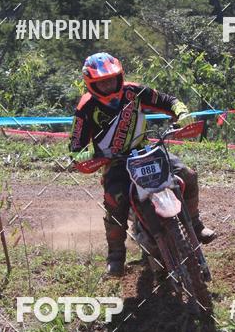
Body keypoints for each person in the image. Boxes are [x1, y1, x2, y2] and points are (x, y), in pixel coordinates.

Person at [69, 53, 216, 277]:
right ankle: (116, 256)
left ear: (120, 76)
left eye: (112, 79)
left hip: (146, 151)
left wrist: (182, 112)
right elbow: (76, 145)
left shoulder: (133, 91)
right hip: (114, 162)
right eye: (102, 82)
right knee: (115, 199)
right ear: (92, 84)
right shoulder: (85, 107)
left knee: (187, 174)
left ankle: (195, 224)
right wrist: (84, 154)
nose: (109, 85)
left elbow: (168, 100)